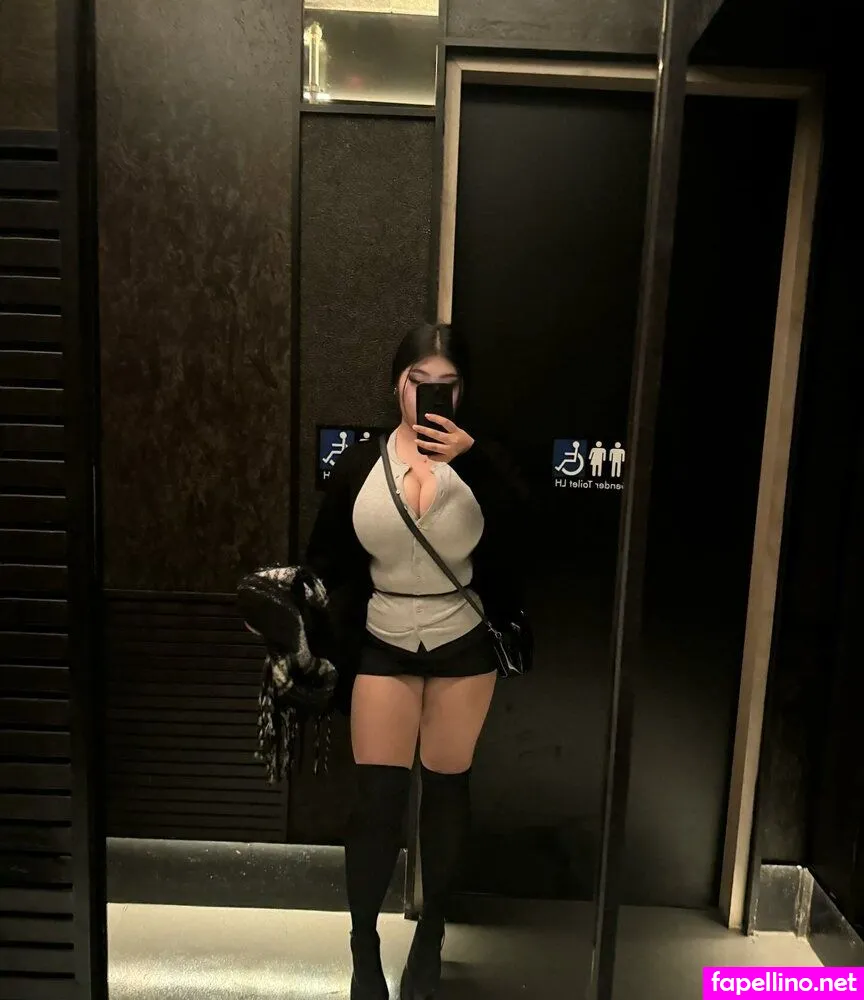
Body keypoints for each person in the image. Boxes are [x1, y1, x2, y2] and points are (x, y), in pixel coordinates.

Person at [304, 321, 530, 1000]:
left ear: (463, 392)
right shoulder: (360, 463)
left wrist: (473, 460)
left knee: (446, 791)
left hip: (463, 638)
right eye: (417, 382)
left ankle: (430, 939)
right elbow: (325, 558)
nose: (430, 395)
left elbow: (527, 529)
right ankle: (363, 946)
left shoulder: (485, 460)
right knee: (377, 801)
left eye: (446, 385)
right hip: (382, 637)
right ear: (396, 385)